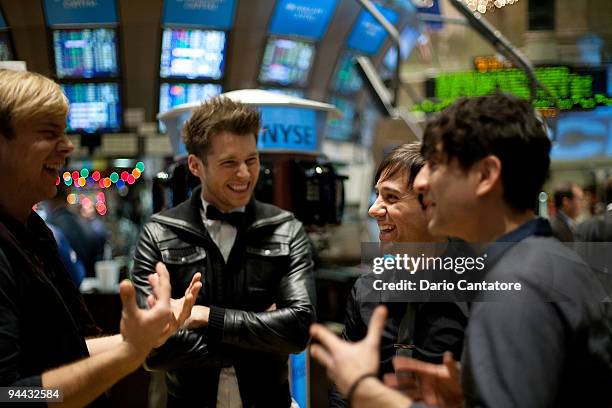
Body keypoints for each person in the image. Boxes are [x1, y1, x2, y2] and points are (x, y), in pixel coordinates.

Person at [310, 94, 612, 408]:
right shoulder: (548, 261)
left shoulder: (516, 286)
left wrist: (367, 391)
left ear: (485, 175)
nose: (424, 183)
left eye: (437, 165)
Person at [0, 69, 201, 407]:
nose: (67, 146)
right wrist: (126, 356)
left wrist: (146, 336)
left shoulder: (34, 232)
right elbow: (13, 397)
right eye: (49, 133)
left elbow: (70, 350)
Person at [131, 96, 316, 407]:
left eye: (252, 160)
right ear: (195, 165)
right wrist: (262, 335)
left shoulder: (286, 229)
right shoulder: (159, 233)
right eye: (229, 163)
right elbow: (153, 348)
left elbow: (297, 330)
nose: (244, 174)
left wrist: (207, 317)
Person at [329, 143, 467, 407]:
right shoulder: (366, 289)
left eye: (391, 198)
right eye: (377, 195)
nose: (374, 210)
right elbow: (343, 388)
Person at [576, 176, 612, 241]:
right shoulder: (582, 220)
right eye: (583, 198)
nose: (586, 200)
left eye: (589, 197)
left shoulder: (584, 226)